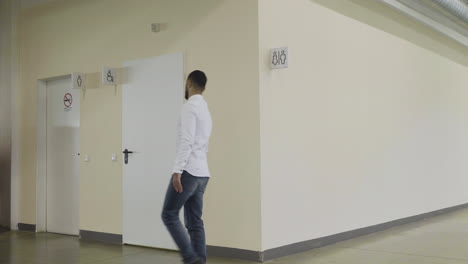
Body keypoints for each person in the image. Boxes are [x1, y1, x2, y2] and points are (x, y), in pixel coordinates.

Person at [162, 70, 212, 264]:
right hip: (203, 173)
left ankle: (192, 259)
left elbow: (186, 140)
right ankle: (200, 261)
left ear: (190, 83)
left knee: (169, 214)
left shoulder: (189, 107)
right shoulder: (205, 109)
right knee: (195, 222)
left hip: (189, 172)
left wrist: (177, 170)